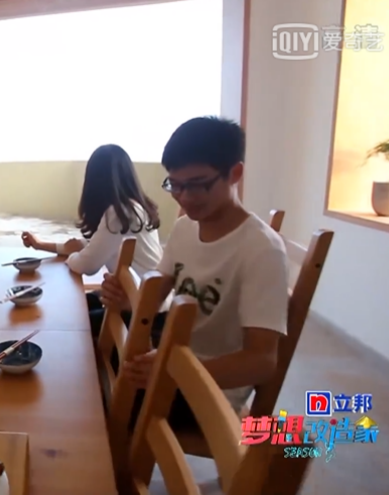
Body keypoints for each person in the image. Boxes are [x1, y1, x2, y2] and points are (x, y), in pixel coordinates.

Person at [99, 116, 288, 430]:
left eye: (198, 185)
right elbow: (154, 296)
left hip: (209, 391)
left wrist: (174, 371)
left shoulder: (262, 250)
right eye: (175, 185)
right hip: (172, 361)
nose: (185, 197)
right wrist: (126, 300)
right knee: (90, 366)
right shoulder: (185, 228)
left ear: (235, 174)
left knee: (99, 405)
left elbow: (261, 362)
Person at [20, 144, 163, 336]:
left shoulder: (119, 214)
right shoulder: (134, 208)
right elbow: (90, 246)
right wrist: (40, 245)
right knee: (78, 304)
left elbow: (86, 265)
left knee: (69, 320)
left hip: (147, 314)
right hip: (144, 302)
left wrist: (73, 257)